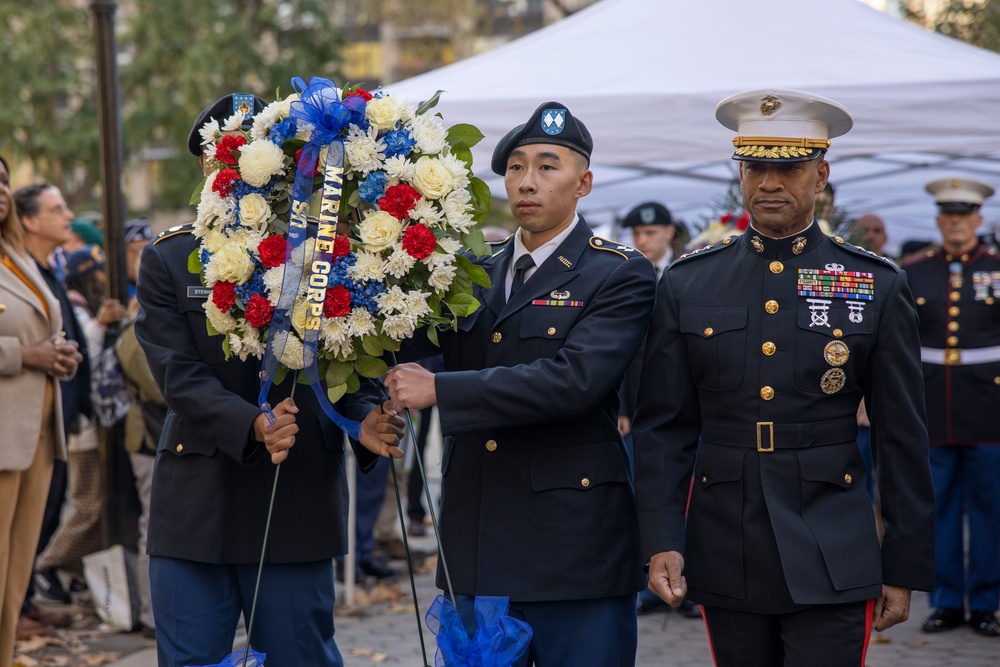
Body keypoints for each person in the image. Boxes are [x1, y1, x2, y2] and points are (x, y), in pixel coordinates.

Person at [633, 89, 936, 666]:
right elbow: (664, 429)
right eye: (755, 167)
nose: (769, 182)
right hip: (726, 541)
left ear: (820, 174)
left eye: (789, 167)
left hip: (833, 541)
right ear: (740, 173)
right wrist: (662, 540)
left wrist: (904, 562)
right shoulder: (689, 282)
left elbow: (902, 437)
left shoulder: (873, 282)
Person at [134, 93, 405, 667]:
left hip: (296, 497)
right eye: (221, 156)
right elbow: (176, 376)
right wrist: (251, 423)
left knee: (299, 657)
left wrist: (365, 419)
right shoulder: (171, 256)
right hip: (199, 503)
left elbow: (350, 362)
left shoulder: (336, 252)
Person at [387, 102, 656, 666]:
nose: (527, 181)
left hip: (572, 547)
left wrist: (443, 391)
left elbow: (573, 381)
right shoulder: (469, 268)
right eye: (515, 167)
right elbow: (399, 348)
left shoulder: (619, 271)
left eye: (547, 167)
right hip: (479, 537)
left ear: (584, 182)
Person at [906, 177, 1000, 637]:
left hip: (990, 409)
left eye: (964, 216)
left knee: (989, 509)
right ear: (939, 220)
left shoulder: (998, 268)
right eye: (948, 215)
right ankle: (944, 601)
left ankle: (984, 601)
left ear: (979, 220)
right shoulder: (915, 270)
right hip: (932, 405)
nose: (956, 223)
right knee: (937, 509)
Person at [0, 155, 82, 663]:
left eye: (5, 180)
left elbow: (41, 326)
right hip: (5, 436)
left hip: (36, 432)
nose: (1, 190)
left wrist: (60, 354)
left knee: (15, 571)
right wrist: (25, 355)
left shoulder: (15, 253)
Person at [14, 183, 93, 628]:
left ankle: (23, 601)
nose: (68, 215)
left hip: (59, 416)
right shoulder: (19, 272)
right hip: (28, 420)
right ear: (30, 221)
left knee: (46, 509)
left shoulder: (47, 270)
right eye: (57, 208)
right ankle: (16, 606)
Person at [33, 246, 124, 604]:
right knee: (89, 505)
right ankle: (47, 564)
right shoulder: (79, 308)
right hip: (83, 430)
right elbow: (86, 356)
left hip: (93, 423)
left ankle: (70, 571)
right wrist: (101, 325)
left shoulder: (85, 305)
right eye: (99, 272)